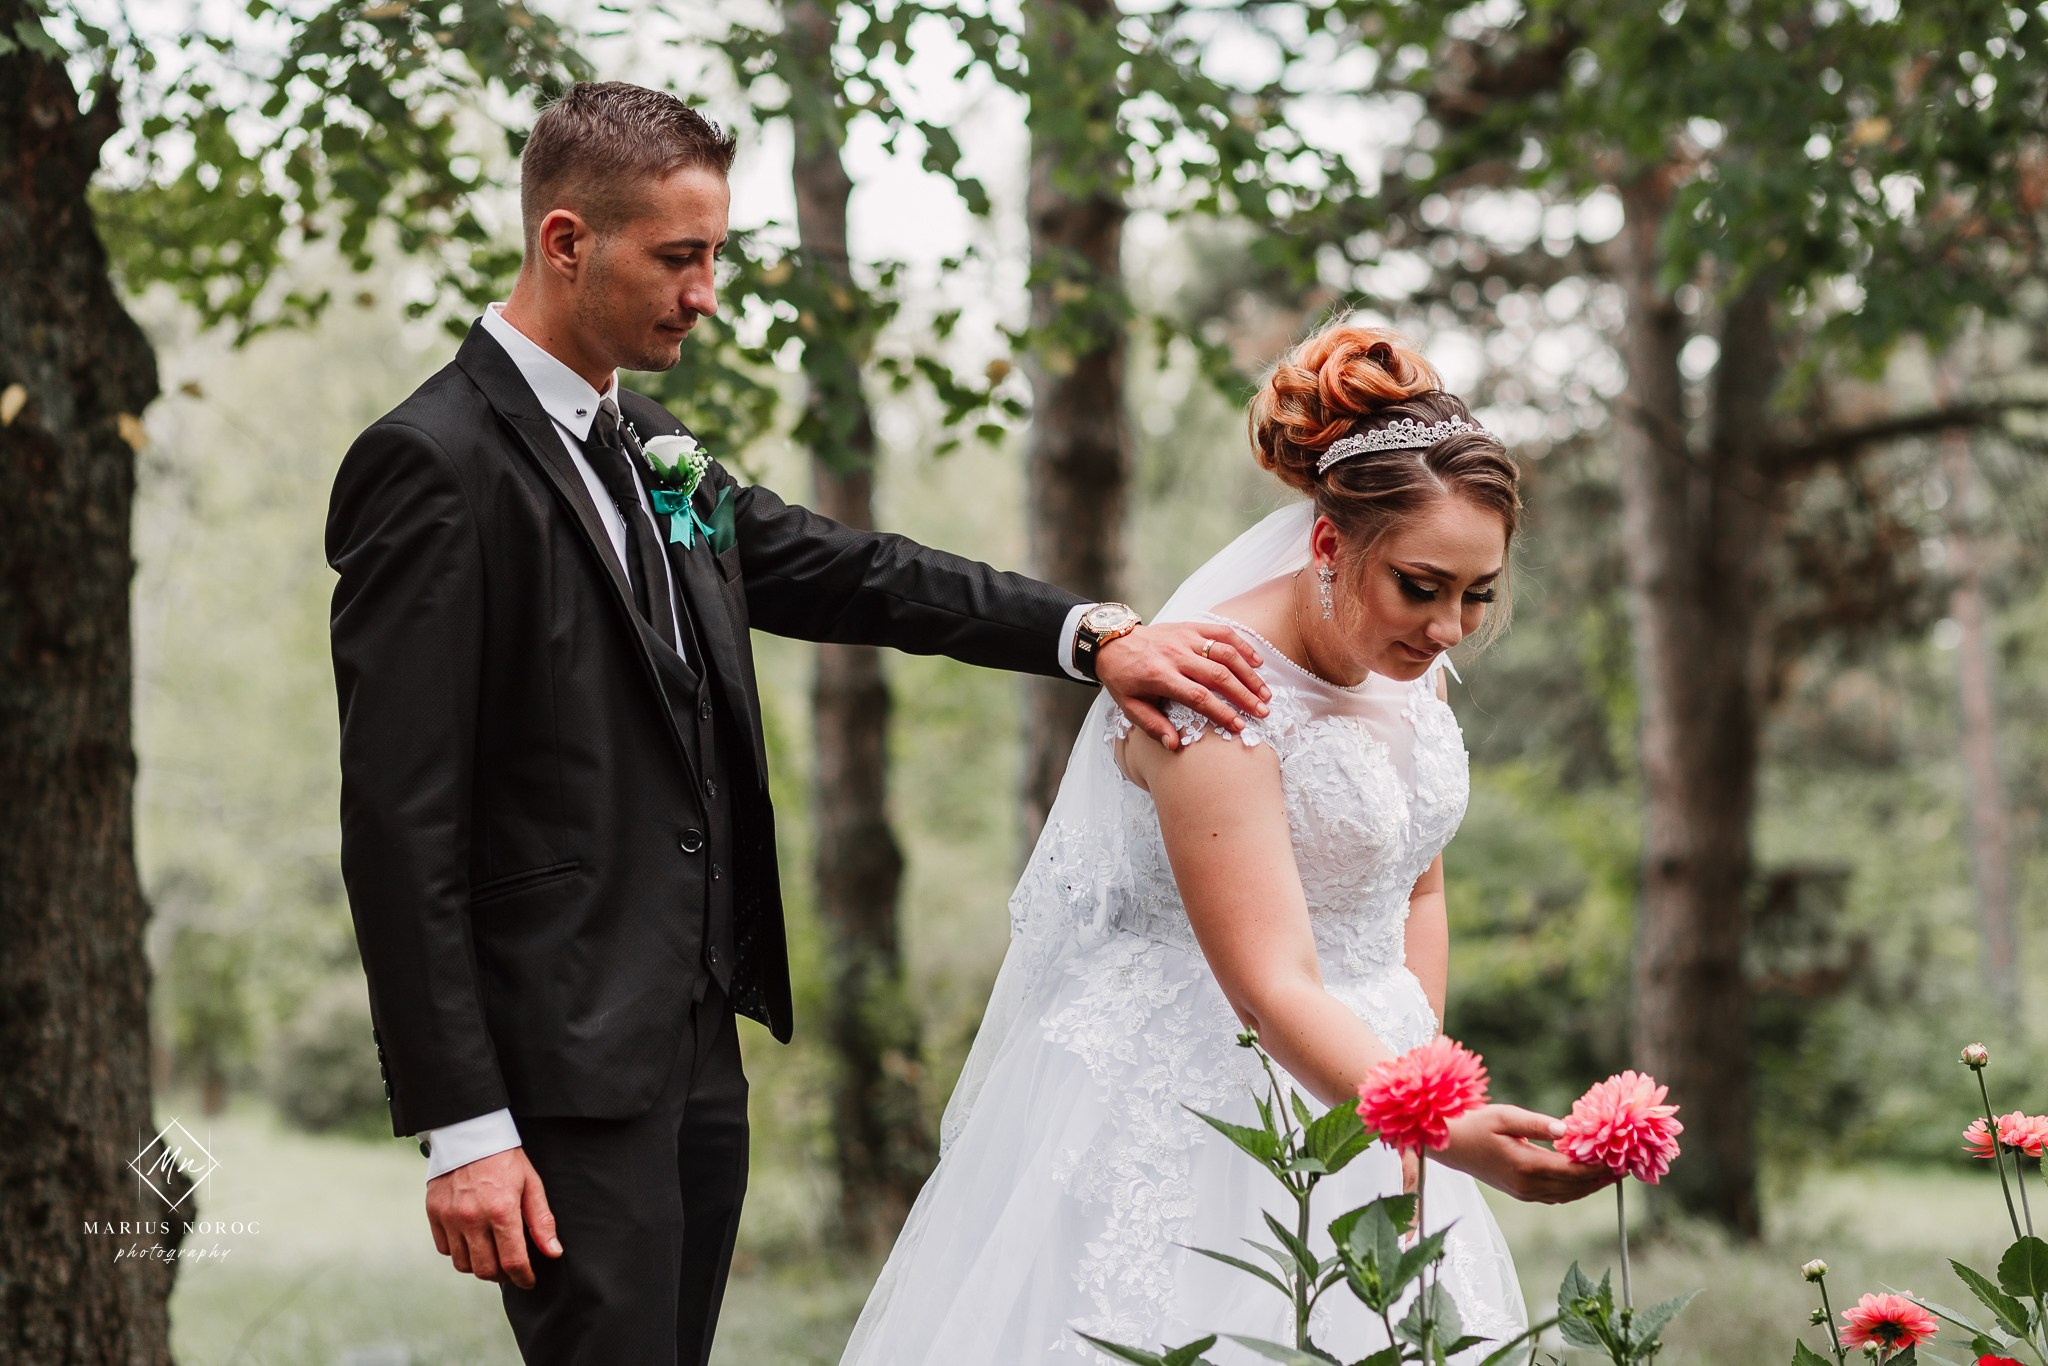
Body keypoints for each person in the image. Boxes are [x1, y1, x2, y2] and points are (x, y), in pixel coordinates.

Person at [325, 81, 1270, 1366]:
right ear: (564, 240)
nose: (705, 293)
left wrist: (1088, 634)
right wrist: (466, 1127)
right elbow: (399, 824)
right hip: (556, 1066)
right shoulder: (430, 463)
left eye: (714, 255)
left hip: (695, 1048)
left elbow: (840, 569)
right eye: (679, 257)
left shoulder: (648, 440)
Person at [841, 323, 1615, 1364]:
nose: (1448, 629)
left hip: (1372, 1069)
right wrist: (1432, 1124)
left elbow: (1412, 887)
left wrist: (1419, 1063)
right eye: (1421, 586)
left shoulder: (1408, 665)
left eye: (1477, 594)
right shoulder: (1215, 694)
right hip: (1200, 1081)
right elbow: (1270, 984)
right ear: (1330, 547)